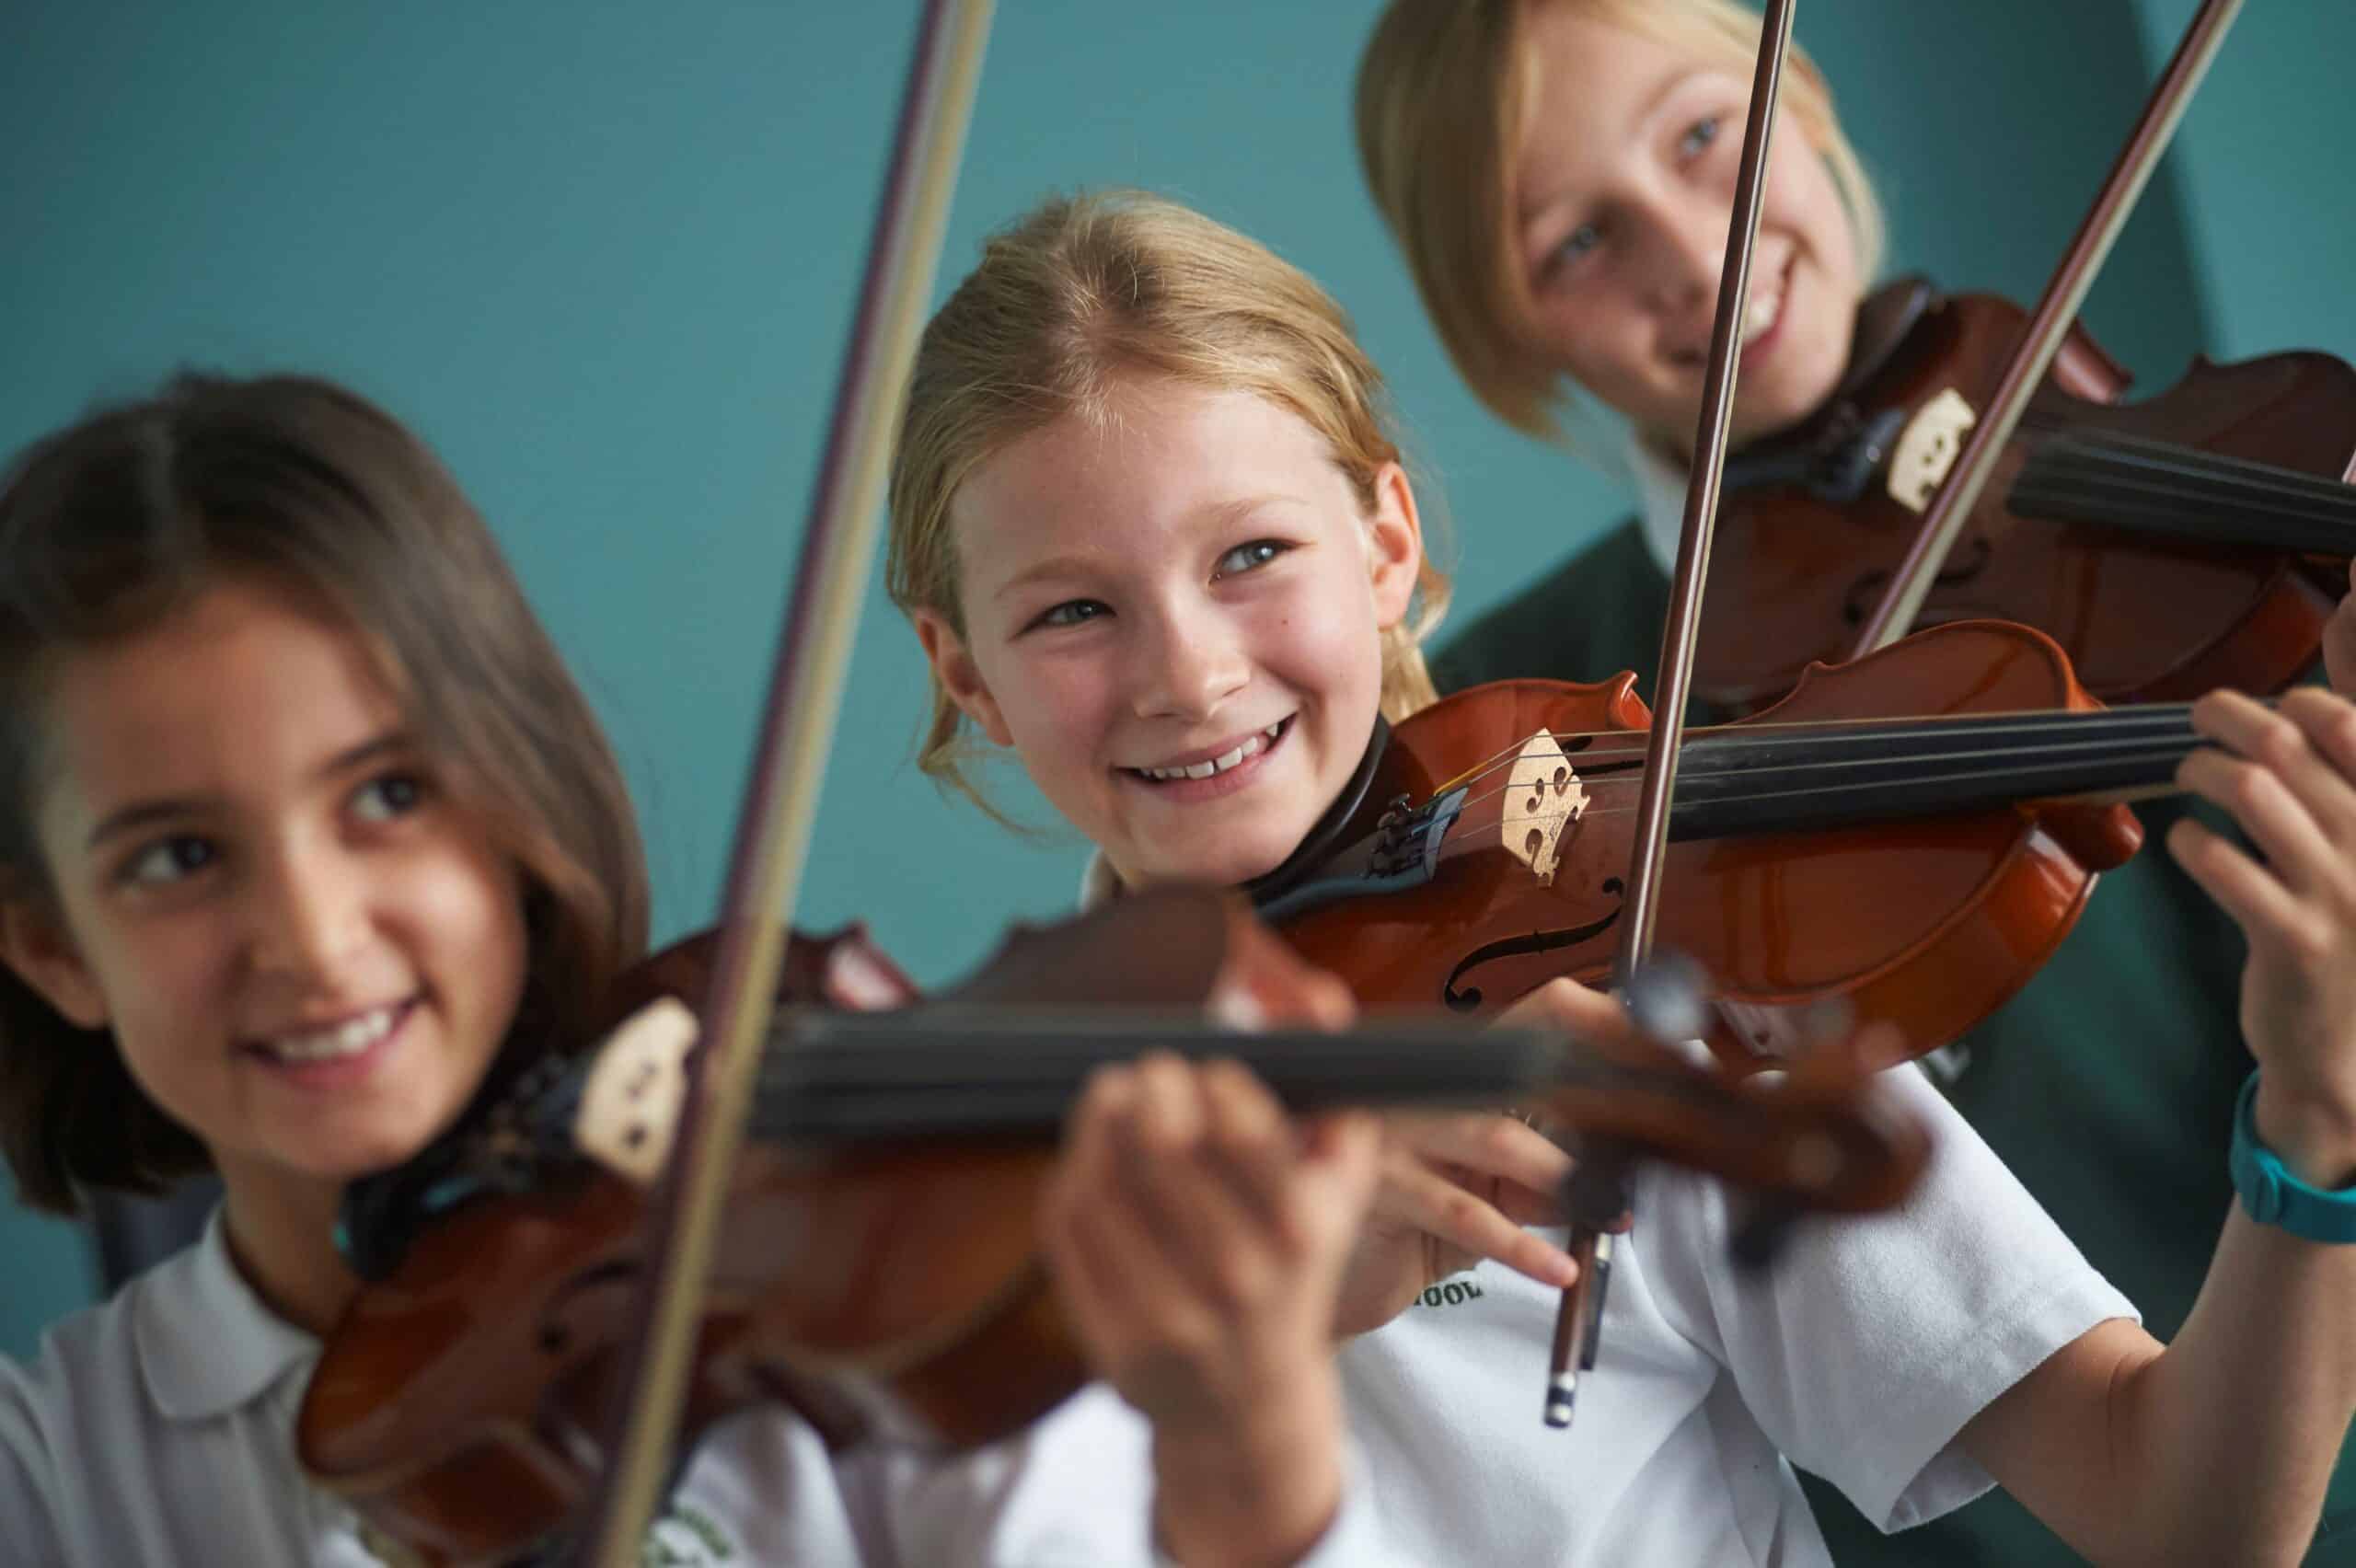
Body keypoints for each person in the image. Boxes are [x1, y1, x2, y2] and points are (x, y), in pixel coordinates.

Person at [885, 187, 2356, 1565]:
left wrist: (2318, 1129)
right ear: (967, 675)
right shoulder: (927, 1215)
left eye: (1251, 552)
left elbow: (2181, 1509)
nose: (1189, 675)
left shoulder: (1631, 965)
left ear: (1385, 545)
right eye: (1073, 612)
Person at [1354, 1, 2356, 1556]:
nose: (1695, 256)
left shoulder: (2192, 555)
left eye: (1707, 137)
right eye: (1578, 241)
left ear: (1802, 102)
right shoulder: (1516, 731)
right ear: (1506, 337)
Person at [0, 372, 888, 1566]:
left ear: (518, 799)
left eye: (387, 794)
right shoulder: (48, 1480)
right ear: (56, 949)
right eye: (180, 857)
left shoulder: (850, 1323)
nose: (316, 941)